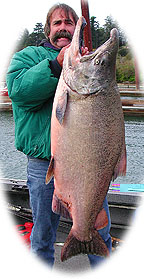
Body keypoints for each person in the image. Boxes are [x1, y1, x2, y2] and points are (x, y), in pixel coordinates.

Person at [6, 3, 111, 268]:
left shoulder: (86, 63)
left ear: (77, 28)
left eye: (69, 23)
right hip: (43, 164)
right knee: (41, 236)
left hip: (87, 165)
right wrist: (56, 65)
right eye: (57, 23)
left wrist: (81, 63)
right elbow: (19, 92)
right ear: (48, 29)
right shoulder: (27, 57)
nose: (63, 28)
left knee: (100, 232)